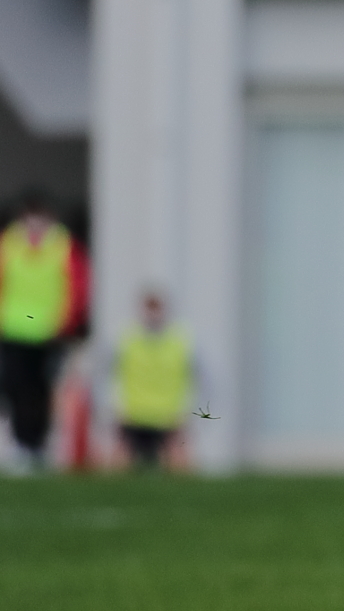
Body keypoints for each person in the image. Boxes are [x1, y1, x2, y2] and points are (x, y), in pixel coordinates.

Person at [0, 190, 90, 471]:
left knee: (40, 392)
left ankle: (37, 445)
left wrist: (69, 323)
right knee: (14, 388)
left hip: (49, 332)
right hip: (13, 329)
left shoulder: (63, 246)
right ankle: (21, 444)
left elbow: (78, 286)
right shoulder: (9, 243)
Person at [111, 288, 197, 471]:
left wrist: (189, 409)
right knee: (117, 467)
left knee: (180, 466)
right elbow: (109, 374)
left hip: (169, 416)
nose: (153, 315)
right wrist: (113, 407)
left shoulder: (180, 341)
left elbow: (200, 378)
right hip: (134, 414)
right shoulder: (127, 338)